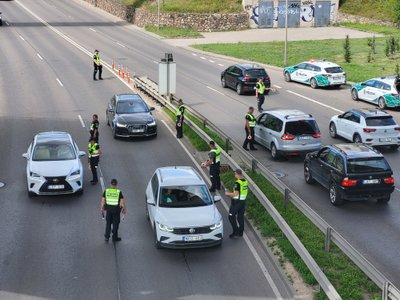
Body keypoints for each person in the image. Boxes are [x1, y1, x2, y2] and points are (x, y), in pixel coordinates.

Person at [225, 169, 249, 239]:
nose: (234, 175)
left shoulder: (237, 183)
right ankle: (241, 232)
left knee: (231, 216)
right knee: (240, 217)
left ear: (238, 174)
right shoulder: (245, 181)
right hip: (243, 202)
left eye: (235, 174)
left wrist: (227, 194)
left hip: (236, 202)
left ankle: (235, 232)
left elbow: (235, 194)